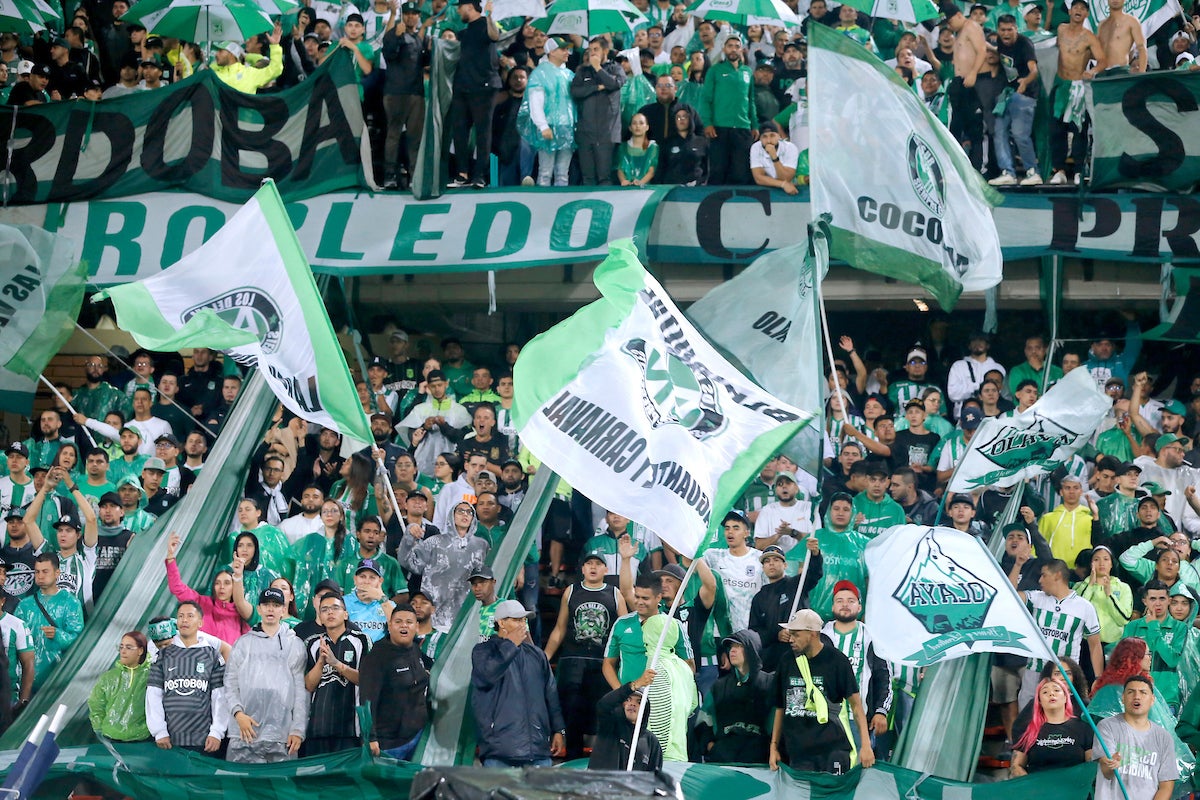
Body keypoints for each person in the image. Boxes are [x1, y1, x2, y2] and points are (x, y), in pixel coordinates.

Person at [543, 549, 627, 760]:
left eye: (597, 564)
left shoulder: (615, 593)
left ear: (606, 569)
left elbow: (624, 630)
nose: (592, 567)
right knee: (572, 720)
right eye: (589, 563)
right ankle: (572, 762)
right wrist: (544, 658)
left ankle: (600, 765)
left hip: (602, 664)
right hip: (573, 662)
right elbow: (560, 629)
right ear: (582, 568)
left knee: (602, 719)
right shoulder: (571, 591)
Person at [770, 609, 875, 773]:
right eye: (790, 634)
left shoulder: (837, 661)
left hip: (833, 749)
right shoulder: (786, 661)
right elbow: (780, 708)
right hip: (798, 753)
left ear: (813, 633)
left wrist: (866, 745)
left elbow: (856, 706)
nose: (791, 639)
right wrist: (773, 747)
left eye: (796, 634)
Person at [471, 599, 565, 766]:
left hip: (537, 749)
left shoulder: (537, 655)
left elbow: (550, 693)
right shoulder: (483, 651)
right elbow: (487, 676)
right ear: (501, 623)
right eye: (516, 620)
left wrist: (558, 729)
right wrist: (510, 645)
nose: (522, 625)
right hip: (499, 751)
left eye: (524, 620)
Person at [225, 587, 308, 763]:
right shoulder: (242, 644)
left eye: (276, 605)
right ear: (259, 609)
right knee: (241, 786)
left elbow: (301, 691)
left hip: (282, 736)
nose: (271, 609)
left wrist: (297, 730)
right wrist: (238, 714)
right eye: (266, 604)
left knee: (280, 789)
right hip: (244, 733)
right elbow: (230, 683)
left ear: (283, 609)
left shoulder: (295, 644)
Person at [1009, 558, 1104, 709]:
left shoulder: (1084, 607)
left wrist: (1099, 677)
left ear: (1057, 575)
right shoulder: (1037, 598)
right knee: (1027, 722)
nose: (1040, 580)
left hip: (1064, 675)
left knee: (1058, 721)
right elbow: (1009, 595)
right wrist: (1018, 565)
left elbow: (1095, 645)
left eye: (1044, 575)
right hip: (1034, 671)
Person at [146, 601, 228, 753]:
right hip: (169, 739)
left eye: (190, 616)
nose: (184, 620)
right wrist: (159, 731)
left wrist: (216, 732)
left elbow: (220, 697)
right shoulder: (162, 656)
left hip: (204, 739)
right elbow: (153, 694)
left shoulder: (212, 655)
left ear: (200, 622)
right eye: (180, 616)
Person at [821, 582, 892, 749]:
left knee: (857, 771)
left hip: (858, 721)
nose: (845, 604)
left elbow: (884, 677)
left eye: (851, 601)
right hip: (824, 719)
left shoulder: (872, 637)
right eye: (840, 600)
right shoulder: (820, 637)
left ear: (860, 607)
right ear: (832, 606)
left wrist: (881, 711)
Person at [398, 500, 488, 630]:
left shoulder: (481, 546)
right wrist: (409, 537)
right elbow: (409, 562)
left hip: (467, 618)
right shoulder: (434, 542)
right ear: (452, 515)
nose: (465, 514)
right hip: (435, 617)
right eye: (460, 511)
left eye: (469, 512)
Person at [302, 592, 371, 755]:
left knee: (344, 780)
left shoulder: (361, 640)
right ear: (319, 615)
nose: (330, 612)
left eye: (335, 608)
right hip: (317, 729)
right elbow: (308, 685)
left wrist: (336, 663)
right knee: (317, 780)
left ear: (345, 613)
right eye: (324, 609)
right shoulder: (312, 643)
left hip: (350, 731)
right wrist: (321, 662)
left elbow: (366, 680)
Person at [360, 603, 431, 759]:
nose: (403, 625)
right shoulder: (377, 658)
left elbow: (433, 668)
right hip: (389, 745)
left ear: (416, 627)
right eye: (398, 621)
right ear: (390, 626)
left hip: (418, 736)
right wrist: (371, 738)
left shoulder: (415, 649)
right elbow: (366, 700)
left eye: (409, 622)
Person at [1094, 675, 1178, 799]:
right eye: (1131, 692)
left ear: (1152, 699)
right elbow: (1106, 771)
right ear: (1123, 698)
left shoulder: (1164, 737)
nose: (1137, 696)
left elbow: (1166, 785)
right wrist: (1112, 765)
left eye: (1143, 692)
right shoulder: (1107, 727)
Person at [695, 629, 773, 763]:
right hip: (723, 759)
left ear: (752, 649)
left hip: (759, 762)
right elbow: (703, 721)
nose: (732, 650)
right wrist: (710, 746)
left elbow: (775, 723)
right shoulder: (719, 687)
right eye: (731, 647)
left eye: (739, 646)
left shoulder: (769, 683)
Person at [447, 0, 501, 189]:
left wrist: (490, 16)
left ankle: (479, 175)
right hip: (462, 87)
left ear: (469, 7)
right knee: (460, 131)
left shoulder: (487, 25)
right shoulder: (463, 33)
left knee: (483, 132)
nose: (458, 11)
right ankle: (462, 173)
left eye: (460, 7)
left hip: (484, 87)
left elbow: (494, 36)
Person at [986, 16, 1042, 186]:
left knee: (1020, 134)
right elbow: (1001, 56)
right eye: (1003, 30)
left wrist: (1025, 81)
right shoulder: (1001, 43)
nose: (1006, 33)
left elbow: (1034, 70)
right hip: (1007, 94)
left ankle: (1033, 173)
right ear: (998, 31)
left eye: (1010, 29)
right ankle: (1007, 172)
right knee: (998, 131)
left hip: (1025, 95)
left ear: (1016, 29)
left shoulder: (1025, 44)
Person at [15, 552, 84, 691]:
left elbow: (79, 640)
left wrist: (58, 635)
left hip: (57, 676)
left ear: (57, 573)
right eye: (37, 572)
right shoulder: (24, 605)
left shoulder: (71, 603)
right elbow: (13, 639)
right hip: (26, 677)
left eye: (45, 571)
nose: (40, 576)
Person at [165, 533, 246, 646]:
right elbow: (177, 588)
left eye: (227, 583)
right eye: (217, 583)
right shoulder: (201, 603)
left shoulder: (242, 612)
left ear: (234, 586)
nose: (221, 587)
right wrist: (170, 557)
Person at [1121, 580, 1188, 712]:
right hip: (1136, 697)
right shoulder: (1132, 627)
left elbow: (1172, 660)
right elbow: (1125, 662)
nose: (1158, 603)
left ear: (1169, 600)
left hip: (1166, 699)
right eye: (1153, 599)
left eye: (1162, 598)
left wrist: (1153, 628)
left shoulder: (1180, 628)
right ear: (1145, 601)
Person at [638, 612, 697, 762]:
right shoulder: (683, 667)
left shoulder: (655, 667)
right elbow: (692, 705)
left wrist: (654, 754)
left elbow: (660, 714)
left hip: (661, 755)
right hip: (680, 751)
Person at [380, 2, 427, 190]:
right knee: (394, 135)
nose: (410, 17)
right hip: (396, 92)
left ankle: (416, 176)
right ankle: (389, 175)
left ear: (418, 16)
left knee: (415, 138)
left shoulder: (418, 38)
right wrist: (397, 37)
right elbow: (389, 55)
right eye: (407, 13)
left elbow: (423, 63)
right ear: (403, 15)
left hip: (416, 92)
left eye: (414, 14)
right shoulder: (393, 33)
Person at [700, 33, 757, 185]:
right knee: (718, 170)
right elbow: (706, 99)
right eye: (730, 46)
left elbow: (751, 100)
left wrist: (755, 125)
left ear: (742, 50)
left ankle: (739, 205)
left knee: (742, 171)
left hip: (743, 128)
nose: (733, 49)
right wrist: (707, 123)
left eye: (737, 46)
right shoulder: (715, 70)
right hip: (719, 128)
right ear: (724, 49)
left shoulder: (747, 72)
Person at [519, 36, 575, 187]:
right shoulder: (540, 73)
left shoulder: (569, 74)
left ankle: (559, 204)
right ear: (551, 51)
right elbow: (535, 102)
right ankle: (543, 206)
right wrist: (543, 126)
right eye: (563, 49)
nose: (567, 52)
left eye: (567, 49)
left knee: (563, 173)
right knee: (545, 171)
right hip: (549, 126)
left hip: (567, 127)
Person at [1009, 676, 1091, 776]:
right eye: (1045, 692)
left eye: (1056, 690)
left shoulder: (1083, 727)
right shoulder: (1028, 729)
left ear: (1066, 697)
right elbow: (1016, 766)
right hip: (1038, 788)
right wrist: (1030, 786)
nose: (1051, 694)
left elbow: (1091, 765)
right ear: (1039, 701)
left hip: (1074, 787)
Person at [572, 37, 625, 185]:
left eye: (596, 50)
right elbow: (575, 91)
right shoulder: (582, 71)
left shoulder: (616, 68)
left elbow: (614, 84)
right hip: (585, 132)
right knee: (587, 177)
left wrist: (598, 69)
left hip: (607, 132)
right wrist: (596, 88)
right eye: (589, 50)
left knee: (604, 177)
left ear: (605, 51)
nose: (592, 54)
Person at [88, 631, 152, 742]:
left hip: (143, 739)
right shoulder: (109, 677)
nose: (123, 651)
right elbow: (96, 705)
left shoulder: (152, 676)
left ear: (140, 650)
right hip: (111, 737)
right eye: (121, 647)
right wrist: (100, 728)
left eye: (128, 647)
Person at [588, 680, 662, 771]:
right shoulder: (609, 725)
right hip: (603, 784)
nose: (632, 704)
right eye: (628, 699)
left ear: (645, 709)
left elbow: (654, 778)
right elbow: (603, 705)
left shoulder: (651, 742)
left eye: (639, 702)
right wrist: (633, 686)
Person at [1076, 545, 1133, 646]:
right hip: (1085, 643)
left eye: (1106, 559)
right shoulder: (1080, 586)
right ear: (1090, 564)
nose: (1101, 563)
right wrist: (1090, 585)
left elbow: (1124, 619)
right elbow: (1077, 612)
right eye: (1096, 559)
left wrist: (1109, 595)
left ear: (1111, 564)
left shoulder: (1123, 588)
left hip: (1113, 645)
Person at [1096, 0, 1147, 73]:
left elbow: (1142, 48)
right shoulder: (1101, 25)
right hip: (1101, 73)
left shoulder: (1132, 21)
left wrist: (1141, 73)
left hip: (1120, 71)